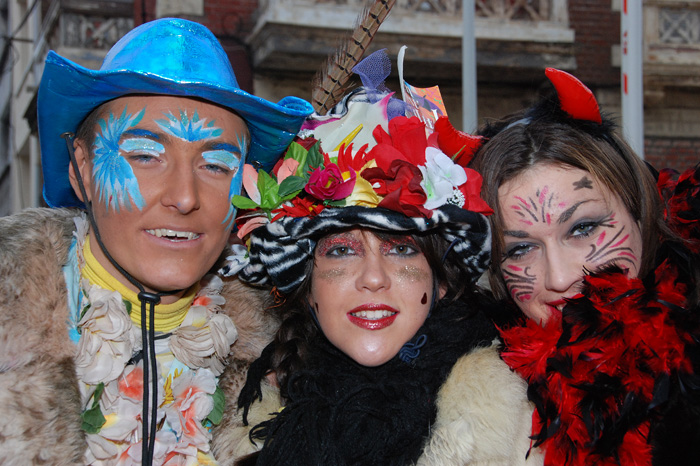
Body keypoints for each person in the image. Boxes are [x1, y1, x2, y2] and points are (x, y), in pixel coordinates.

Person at [0, 18, 313, 464]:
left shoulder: (291, 363)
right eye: (145, 156)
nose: (185, 198)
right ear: (82, 170)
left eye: (217, 165)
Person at [211, 50, 542, 466]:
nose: (372, 279)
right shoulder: (226, 419)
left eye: (401, 248)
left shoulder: (520, 425)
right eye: (341, 250)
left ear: (439, 282)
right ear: (307, 285)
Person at [469, 67, 700, 465]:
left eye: (583, 228)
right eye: (520, 249)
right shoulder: (473, 408)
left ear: (641, 212)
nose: (559, 278)